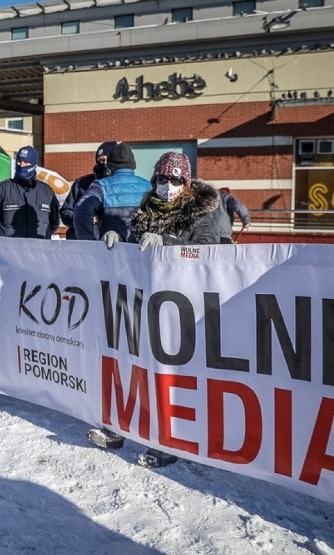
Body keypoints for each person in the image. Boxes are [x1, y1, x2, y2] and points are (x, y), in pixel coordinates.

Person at [92, 151, 220, 468]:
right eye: (162, 179)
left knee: (168, 377)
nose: (168, 185)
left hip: (182, 307)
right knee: (131, 367)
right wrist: (117, 241)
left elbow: (209, 249)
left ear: (186, 182)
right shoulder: (146, 210)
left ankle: (167, 442)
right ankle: (117, 428)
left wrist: (167, 241)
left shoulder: (201, 213)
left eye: (175, 179)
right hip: (144, 301)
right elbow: (138, 247)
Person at [73, 142, 151, 244]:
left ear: (110, 165)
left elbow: (81, 210)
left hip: (110, 249)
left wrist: (90, 242)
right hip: (141, 249)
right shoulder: (148, 186)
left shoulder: (100, 186)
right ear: (133, 165)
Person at [0, 145, 60, 238]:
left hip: (38, 250)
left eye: (26, 162)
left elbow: (54, 221)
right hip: (7, 249)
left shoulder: (47, 192)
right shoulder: (1, 189)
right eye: (19, 161)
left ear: (34, 165)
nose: (21, 165)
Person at [59, 141, 117, 240]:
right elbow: (66, 212)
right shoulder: (81, 184)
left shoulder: (121, 185)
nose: (104, 164)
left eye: (108, 160)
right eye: (101, 160)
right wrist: (82, 217)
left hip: (111, 242)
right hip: (81, 242)